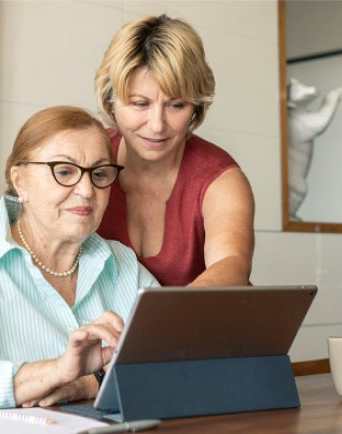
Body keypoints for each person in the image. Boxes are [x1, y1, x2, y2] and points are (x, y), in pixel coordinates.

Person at [0, 106, 158, 414]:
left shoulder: (124, 266)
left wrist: (88, 383)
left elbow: (173, 363)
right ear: (20, 181)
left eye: (99, 174)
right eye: (64, 171)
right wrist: (57, 371)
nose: (86, 190)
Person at [95, 15, 255, 287]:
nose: (157, 125)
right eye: (140, 104)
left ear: (196, 108)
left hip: (195, 326)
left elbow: (232, 265)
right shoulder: (88, 160)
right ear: (111, 101)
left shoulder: (221, 180)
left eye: (176, 105)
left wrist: (159, 321)